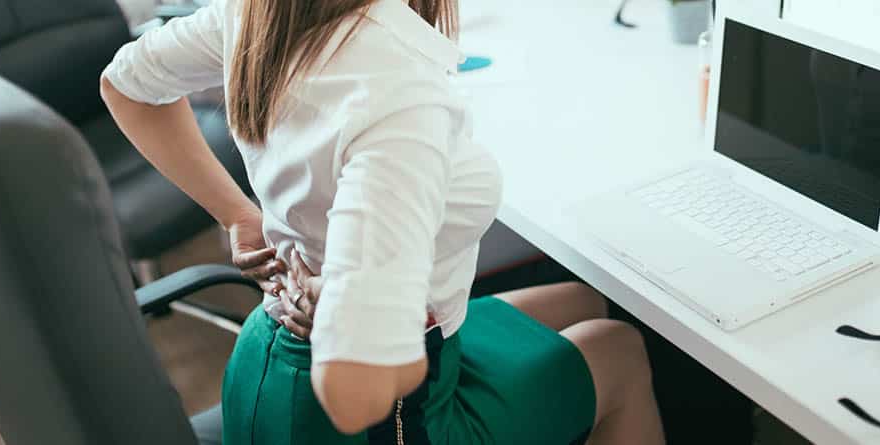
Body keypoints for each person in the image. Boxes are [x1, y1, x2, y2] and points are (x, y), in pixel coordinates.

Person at [98, 0, 665, 443]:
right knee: (617, 348)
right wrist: (367, 304)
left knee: (580, 302)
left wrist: (241, 217)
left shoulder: (265, 14)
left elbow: (125, 86)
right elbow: (355, 392)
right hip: (363, 422)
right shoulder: (398, 101)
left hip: (267, 359)